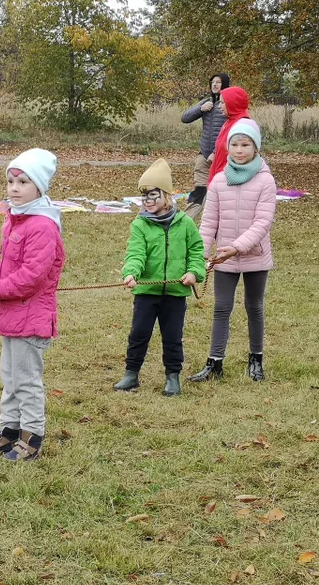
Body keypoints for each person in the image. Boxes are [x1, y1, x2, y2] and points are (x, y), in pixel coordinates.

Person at [0, 148, 65, 462]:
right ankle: (9, 433)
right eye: (11, 181)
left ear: (39, 187)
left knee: (26, 381)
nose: (14, 188)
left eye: (23, 182)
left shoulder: (43, 226)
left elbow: (30, 277)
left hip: (32, 317)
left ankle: (31, 438)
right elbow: (7, 263)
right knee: (9, 378)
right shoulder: (15, 222)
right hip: (13, 314)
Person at [189, 119, 276, 383]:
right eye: (235, 144)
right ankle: (214, 363)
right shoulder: (217, 181)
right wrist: (202, 253)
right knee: (221, 308)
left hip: (255, 256)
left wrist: (238, 247)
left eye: (245, 144)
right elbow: (209, 222)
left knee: (254, 307)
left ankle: (255, 360)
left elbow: (263, 221)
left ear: (256, 148)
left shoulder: (266, 181)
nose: (239, 150)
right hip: (223, 259)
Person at [113, 159, 206, 397]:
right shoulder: (140, 225)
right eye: (144, 197)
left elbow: (196, 250)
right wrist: (131, 272)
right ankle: (131, 374)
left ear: (166, 196)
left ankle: (172, 377)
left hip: (175, 292)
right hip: (147, 293)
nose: (148, 202)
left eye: (153, 195)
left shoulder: (185, 223)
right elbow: (136, 253)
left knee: (173, 336)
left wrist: (194, 272)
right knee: (139, 333)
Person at [180, 73, 230, 220]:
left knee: (222, 194)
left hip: (222, 157)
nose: (214, 85)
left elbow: (231, 131)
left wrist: (216, 152)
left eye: (218, 82)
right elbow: (184, 118)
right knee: (199, 190)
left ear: (225, 84)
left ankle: (221, 223)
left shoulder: (228, 105)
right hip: (203, 155)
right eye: (212, 82)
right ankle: (186, 223)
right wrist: (200, 109)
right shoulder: (206, 102)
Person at [206, 86, 251, 185]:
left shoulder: (241, 126)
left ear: (232, 103)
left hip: (229, 183)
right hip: (219, 180)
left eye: (222, 103)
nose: (219, 106)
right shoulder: (229, 122)